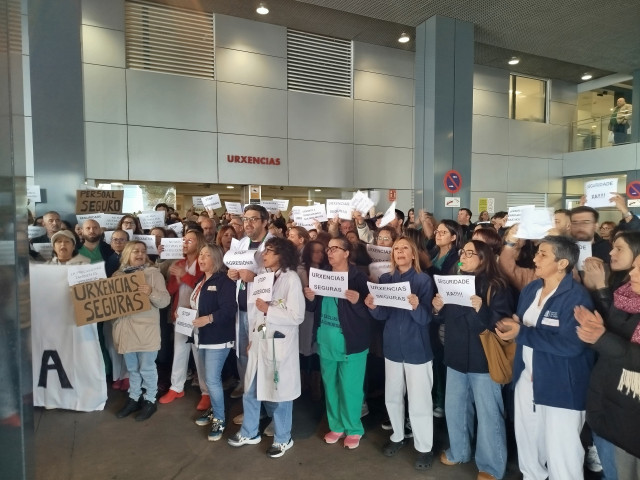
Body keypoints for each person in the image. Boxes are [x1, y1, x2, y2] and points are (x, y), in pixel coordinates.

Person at [497, 235, 595, 480]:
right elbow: (523, 329)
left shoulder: (576, 297)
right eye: (537, 252)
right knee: (528, 442)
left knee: (563, 453)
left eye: (543, 254)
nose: (534, 258)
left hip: (561, 385)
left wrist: (523, 333)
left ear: (562, 263)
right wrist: (514, 330)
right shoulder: (532, 289)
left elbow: (573, 345)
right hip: (526, 379)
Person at [434, 240, 514, 480]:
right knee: (455, 408)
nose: (465, 256)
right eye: (463, 252)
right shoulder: (453, 280)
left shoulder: (496, 286)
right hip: (455, 355)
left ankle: (491, 466)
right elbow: (442, 321)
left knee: (489, 413)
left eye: (471, 253)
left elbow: (501, 326)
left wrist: (482, 310)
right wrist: (437, 308)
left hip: (484, 359)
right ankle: (459, 450)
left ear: (483, 258)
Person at [228, 237, 305, 458]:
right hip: (261, 339)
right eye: (265, 251)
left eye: (270, 251)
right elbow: (257, 314)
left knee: (280, 394)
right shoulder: (263, 276)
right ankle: (250, 431)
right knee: (250, 388)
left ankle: (283, 438)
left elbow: (296, 316)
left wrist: (269, 310)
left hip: (279, 344)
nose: (265, 255)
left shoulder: (291, 279)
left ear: (282, 255)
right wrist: (255, 336)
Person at [365, 237, 435, 470]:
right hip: (393, 347)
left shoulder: (423, 280)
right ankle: (397, 435)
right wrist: (373, 307)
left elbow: (426, 319)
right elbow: (383, 315)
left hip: (417, 349)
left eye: (405, 248)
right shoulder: (386, 279)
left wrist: (416, 306)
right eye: (396, 248)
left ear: (413, 254)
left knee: (420, 401)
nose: (400, 251)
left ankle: (424, 447)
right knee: (393, 395)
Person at [575, 254, 640, 478]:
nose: (632, 274)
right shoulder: (624, 298)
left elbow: (615, 347)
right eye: (634, 267)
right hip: (611, 405)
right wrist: (599, 332)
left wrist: (604, 339)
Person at [304, 237, 372, 449]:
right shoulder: (322, 275)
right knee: (331, 386)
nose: (330, 252)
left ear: (346, 253)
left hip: (351, 343)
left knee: (350, 388)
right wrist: (311, 297)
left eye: (335, 248)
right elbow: (314, 308)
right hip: (326, 340)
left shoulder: (358, 278)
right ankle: (336, 425)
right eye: (328, 248)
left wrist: (357, 302)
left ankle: (354, 428)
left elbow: (371, 313)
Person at [113, 241, 171, 421]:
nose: (139, 254)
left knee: (146, 368)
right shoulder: (117, 275)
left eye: (143, 251)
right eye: (135, 251)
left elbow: (165, 301)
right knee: (132, 368)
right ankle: (134, 397)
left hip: (146, 331)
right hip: (125, 330)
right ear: (127, 254)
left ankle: (150, 399)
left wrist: (151, 292)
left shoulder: (153, 275)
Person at [159, 230, 210, 409]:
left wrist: (184, 275)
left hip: (198, 315)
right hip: (180, 314)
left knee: (199, 354)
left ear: (199, 243)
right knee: (180, 351)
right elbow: (171, 289)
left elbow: (204, 284)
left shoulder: (204, 262)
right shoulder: (179, 263)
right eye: (184, 240)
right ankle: (176, 387)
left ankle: (206, 391)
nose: (185, 243)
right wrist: (177, 277)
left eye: (190, 240)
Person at [227, 205, 273, 405]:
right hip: (242, 308)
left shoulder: (274, 244)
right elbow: (236, 268)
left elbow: (280, 276)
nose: (248, 223)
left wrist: (255, 277)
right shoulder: (242, 243)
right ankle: (248, 392)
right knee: (243, 352)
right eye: (246, 219)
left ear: (265, 221)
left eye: (254, 219)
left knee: (260, 352)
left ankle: (264, 400)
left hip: (262, 312)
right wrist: (233, 274)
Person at [191, 245, 237, 441]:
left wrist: (208, 319)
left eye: (207, 255)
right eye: (200, 254)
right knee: (207, 379)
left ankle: (219, 418)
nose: (201, 258)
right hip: (201, 337)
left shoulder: (224, 280)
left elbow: (229, 310)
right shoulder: (202, 280)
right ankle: (214, 410)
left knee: (212, 379)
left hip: (217, 339)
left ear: (216, 259)